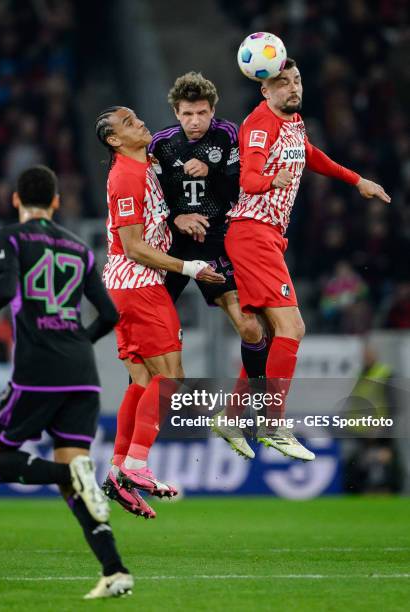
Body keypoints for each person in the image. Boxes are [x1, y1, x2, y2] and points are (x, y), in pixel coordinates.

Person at [0, 166, 133, 600]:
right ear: (57, 202)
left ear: (16, 201)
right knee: (74, 486)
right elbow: (112, 316)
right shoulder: (79, 248)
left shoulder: (10, 237)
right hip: (83, 376)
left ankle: (73, 473)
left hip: (37, 372)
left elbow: (4, 291)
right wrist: (78, 341)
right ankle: (115, 569)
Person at [225, 58, 391, 460]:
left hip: (267, 237)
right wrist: (271, 179)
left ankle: (231, 418)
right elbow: (248, 178)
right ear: (265, 89)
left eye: (296, 80)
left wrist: (357, 181)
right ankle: (273, 423)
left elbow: (310, 154)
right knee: (293, 327)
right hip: (253, 232)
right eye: (282, 83)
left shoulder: (293, 122)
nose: (293, 87)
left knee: (264, 339)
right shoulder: (262, 123)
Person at [95, 106, 224, 518]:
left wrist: (178, 214)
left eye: (135, 118)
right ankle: (136, 465)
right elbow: (133, 245)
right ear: (115, 140)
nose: (140, 124)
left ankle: (117, 470)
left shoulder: (145, 161)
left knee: (142, 379)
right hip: (137, 284)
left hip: (128, 286)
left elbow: (160, 199)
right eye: (129, 124)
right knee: (170, 376)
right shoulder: (126, 177)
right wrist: (189, 268)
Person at [149, 72, 267, 460]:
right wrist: (176, 218)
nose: (195, 121)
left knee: (251, 328)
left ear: (213, 111)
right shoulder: (161, 146)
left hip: (216, 242)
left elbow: (240, 190)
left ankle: (245, 410)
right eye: (187, 114)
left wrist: (212, 169)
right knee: (150, 336)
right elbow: (151, 200)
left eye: (201, 113)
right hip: (173, 245)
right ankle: (147, 430)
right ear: (176, 112)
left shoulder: (228, 135)